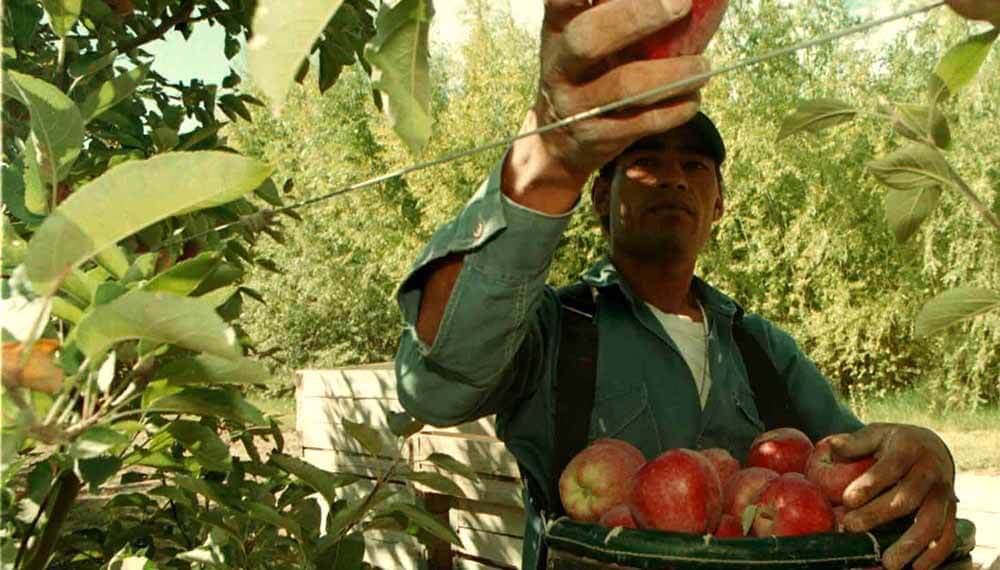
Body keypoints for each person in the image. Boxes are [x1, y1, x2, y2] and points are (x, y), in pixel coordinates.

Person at [394, 1, 994, 568]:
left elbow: (850, 462)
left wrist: (925, 453)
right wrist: (549, 157)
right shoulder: (556, 330)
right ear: (602, 196)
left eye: (695, 166)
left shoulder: (762, 348)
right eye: (645, 160)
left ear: (720, 205)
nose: (673, 179)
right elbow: (437, 389)